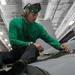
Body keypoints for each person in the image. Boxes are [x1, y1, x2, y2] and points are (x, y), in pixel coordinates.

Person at [0, 3, 69, 75]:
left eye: (37, 14)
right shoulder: (15, 22)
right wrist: (31, 43)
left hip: (30, 53)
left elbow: (49, 39)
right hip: (16, 52)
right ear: (26, 13)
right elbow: (13, 41)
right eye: (33, 14)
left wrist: (60, 46)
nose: (35, 17)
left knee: (34, 48)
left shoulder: (38, 28)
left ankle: (17, 68)